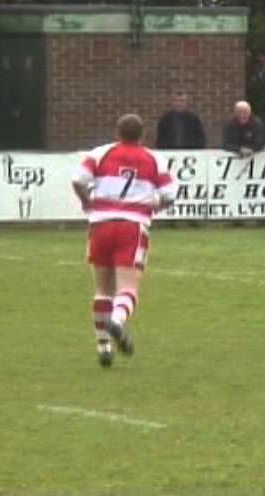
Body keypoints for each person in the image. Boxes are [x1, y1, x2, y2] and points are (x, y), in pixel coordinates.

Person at [72, 114, 176, 368]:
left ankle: (103, 346)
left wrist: (86, 201)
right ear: (142, 135)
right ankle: (117, 321)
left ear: (117, 132)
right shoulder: (153, 159)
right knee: (128, 287)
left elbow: (78, 180)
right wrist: (156, 207)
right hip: (132, 226)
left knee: (102, 288)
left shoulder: (100, 153)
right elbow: (170, 193)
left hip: (101, 224)